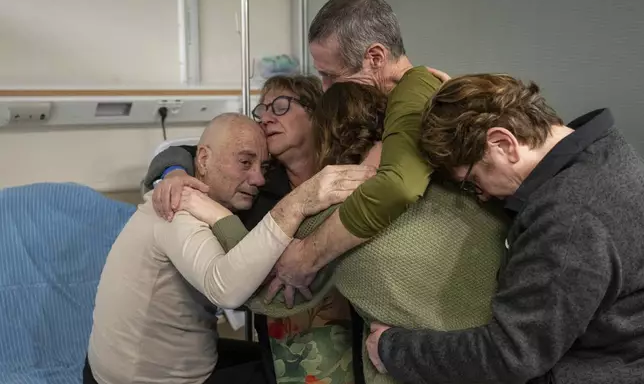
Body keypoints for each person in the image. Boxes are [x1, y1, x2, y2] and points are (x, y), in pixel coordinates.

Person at [185, 80, 509, 384]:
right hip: (490, 361)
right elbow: (199, 155)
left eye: (280, 105)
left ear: (319, 124)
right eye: (263, 109)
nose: (266, 118)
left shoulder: (334, 213)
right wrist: (171, 170)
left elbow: (256, 284)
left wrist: (213, 214)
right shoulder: (470, 190)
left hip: (397, 360)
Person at [367, 73, 644, 384]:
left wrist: (392, 349)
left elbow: (510, 355)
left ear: (503, 143)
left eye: (472, 182)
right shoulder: (602, 150)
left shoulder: (570, 220)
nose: (482, 196)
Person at [84, 113, 373, 384]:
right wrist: (297, 204)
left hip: (159, 359)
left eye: (263, 167)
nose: (258, 179)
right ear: (205, 160)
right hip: (140, 377)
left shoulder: (218, 198)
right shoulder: (177, 207)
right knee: (287, 374)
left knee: (271, 362)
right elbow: (226, 289)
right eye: (245, 163)